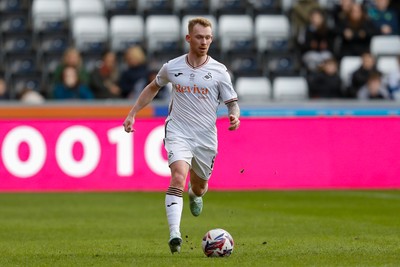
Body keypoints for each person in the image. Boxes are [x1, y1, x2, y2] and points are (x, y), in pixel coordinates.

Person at [122, 17, 240, 254]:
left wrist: (234, 116)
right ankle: (175, 233)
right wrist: (133, 113)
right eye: (199, 37)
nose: (204, 41)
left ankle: (195, 195)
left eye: (208, 37)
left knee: (199, 187)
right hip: (178, 131)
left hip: (206, 137)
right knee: (177, 176)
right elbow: (153, 87)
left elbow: (232, 102)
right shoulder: (173, 67)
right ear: (189, 38)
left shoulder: (219, 71)